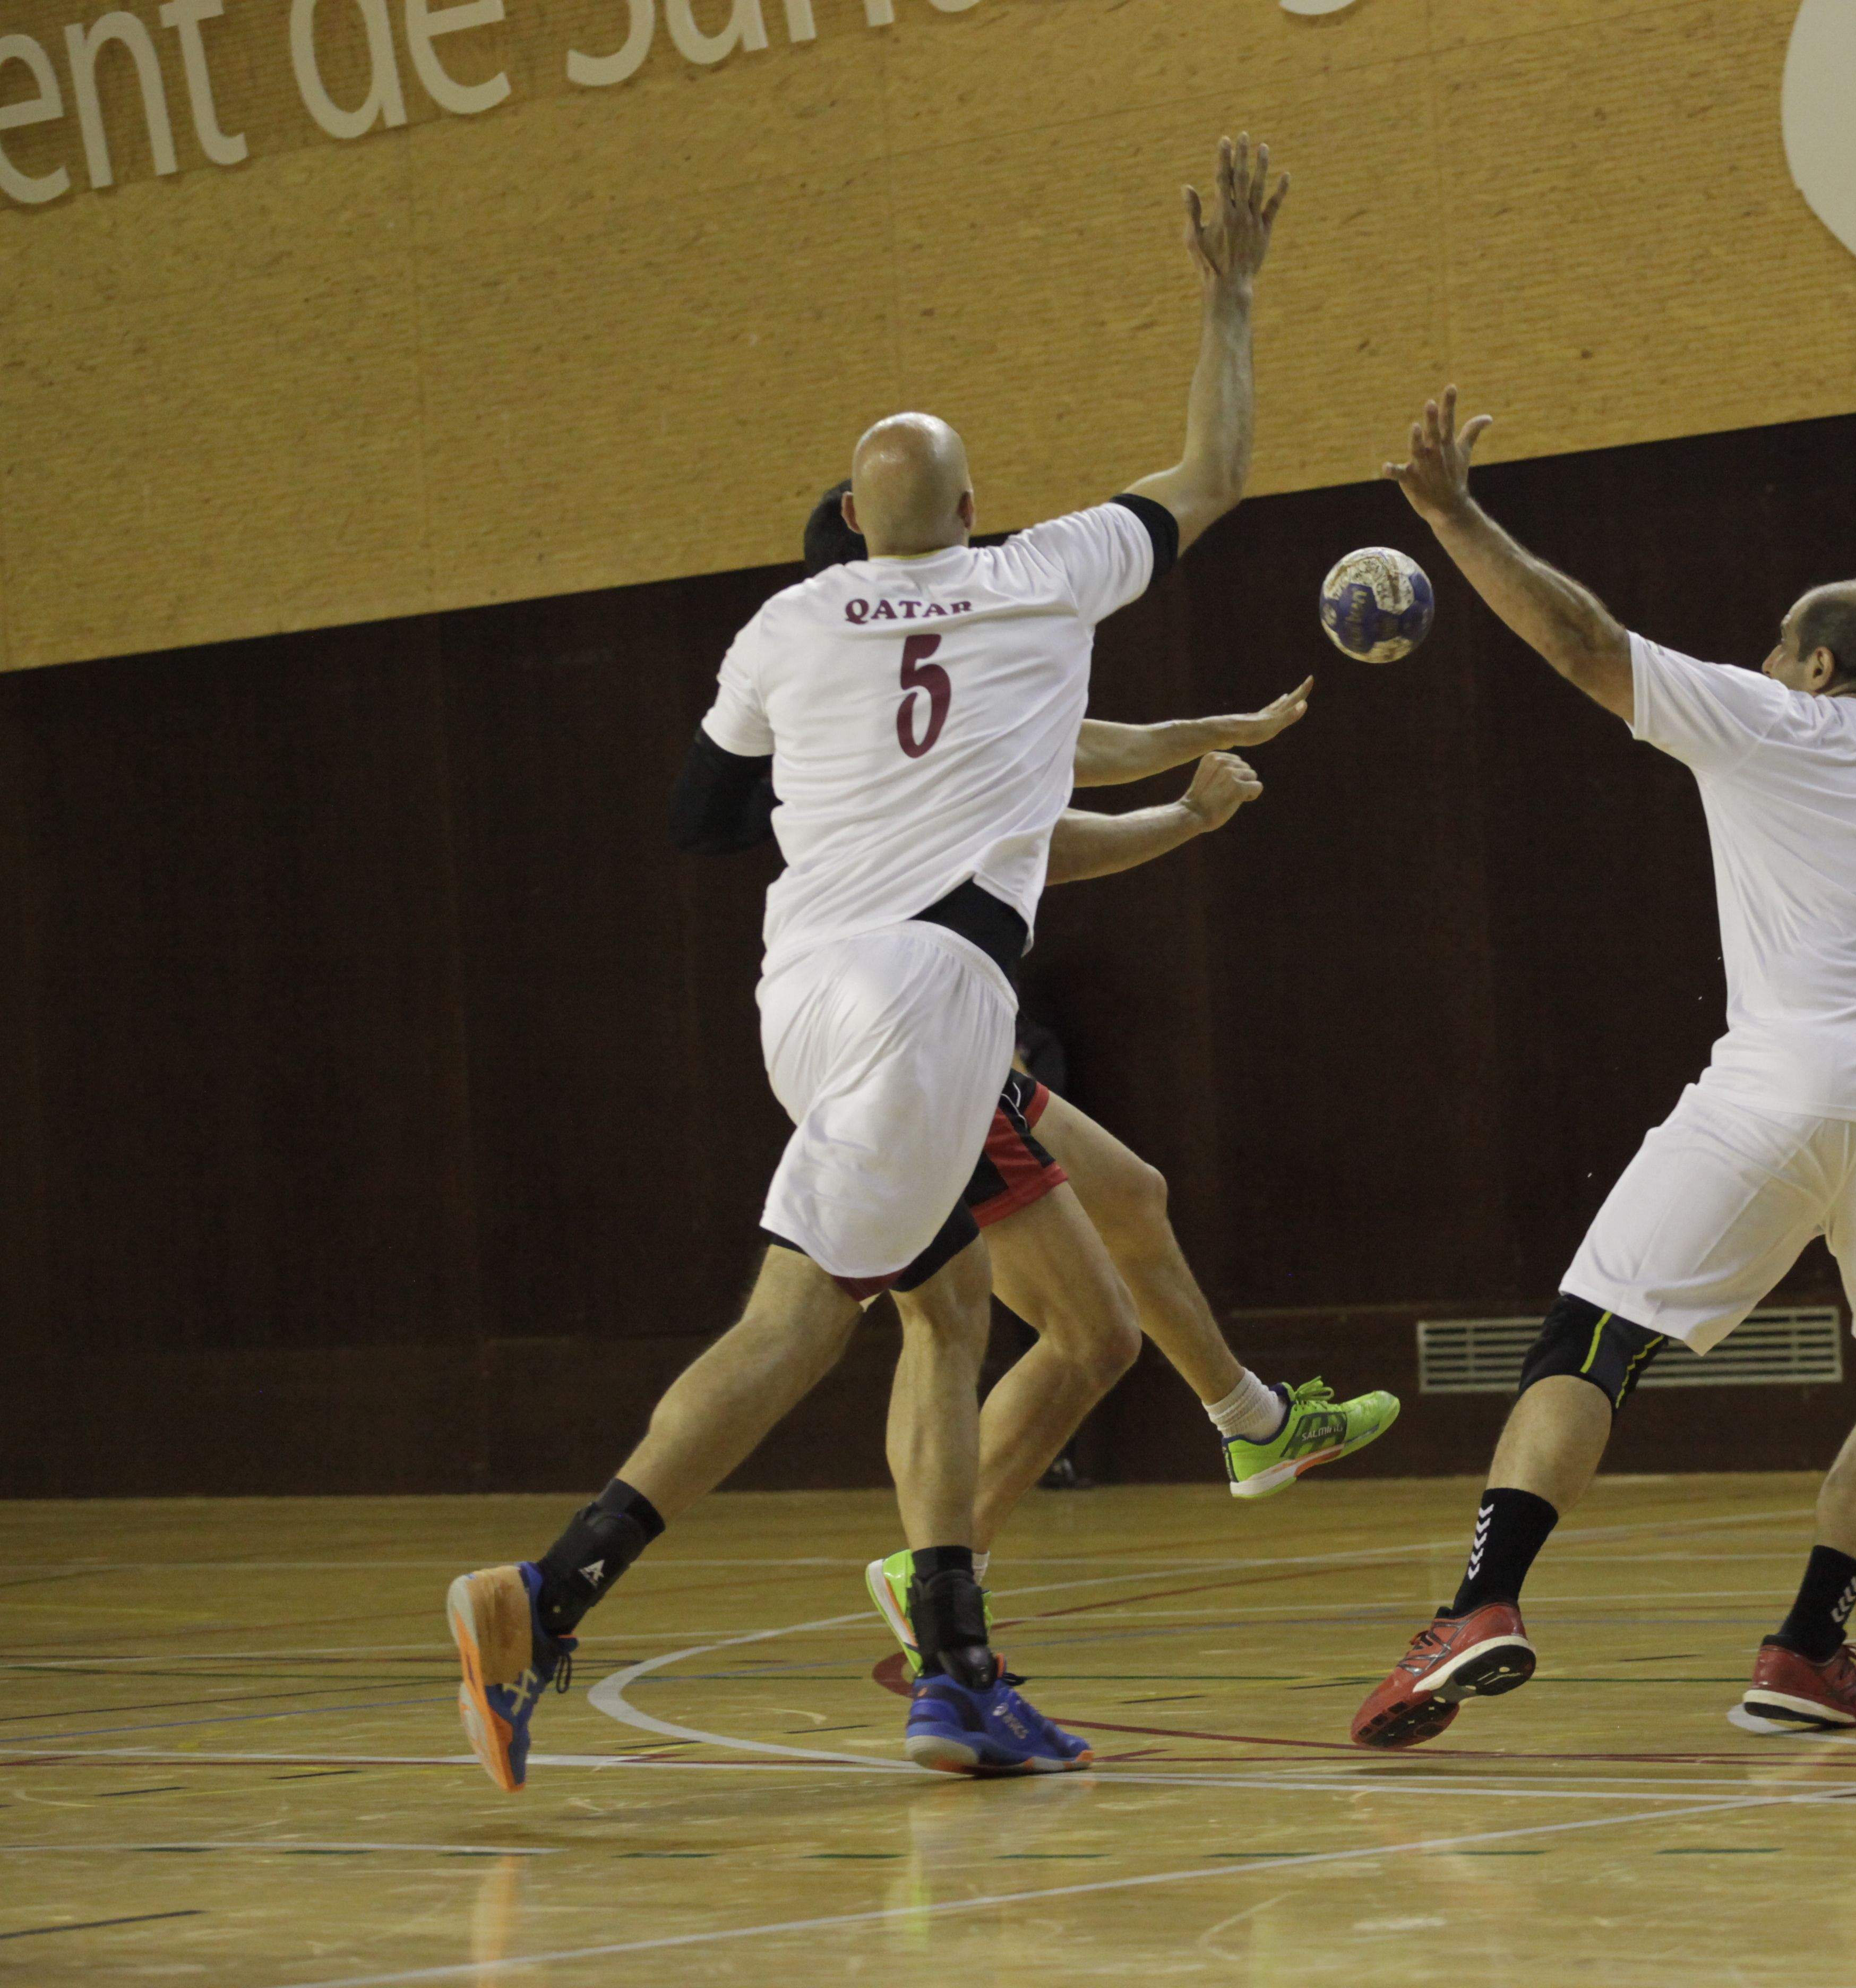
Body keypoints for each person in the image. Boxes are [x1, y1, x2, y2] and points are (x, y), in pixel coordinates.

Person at [443, 135, 1287, 1788]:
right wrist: (1233, 295)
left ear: (848, 522)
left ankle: (955, 1679)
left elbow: (703, 814)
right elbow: (1215, 472)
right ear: (972, 513)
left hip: (803, 994)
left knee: (952, 1311)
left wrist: (858, 772)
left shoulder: (787, 624)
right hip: (927, 999)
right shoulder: (1041, 577)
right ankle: (544, 1597)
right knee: (795, 1328)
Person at [1348, 389, 1856, 1746]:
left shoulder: (1779, 722)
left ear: (1817, 668)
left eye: (1778, 647)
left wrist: (1455, 517)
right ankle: (1807, 1649)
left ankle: (1481, 1605)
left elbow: (1583, 641)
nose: (1763, 661)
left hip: (1777, 1093)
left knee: (1595, 1337)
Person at [791, 482, 1401, 1571]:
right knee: (1087, 1337)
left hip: (925, 1039)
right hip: (910, 1050)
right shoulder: (884, 712)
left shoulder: (906, 687)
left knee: (1131, 1197)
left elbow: (1065, 746)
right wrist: (1187, 816)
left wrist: (1214, 731)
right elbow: (1050, 842)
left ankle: (1253, 1425)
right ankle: (940, 1573)